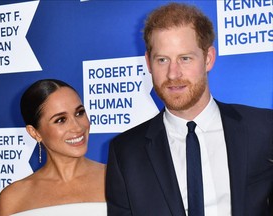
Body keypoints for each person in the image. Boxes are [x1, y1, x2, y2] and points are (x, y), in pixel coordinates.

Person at [106, 2, 273, 216]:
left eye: (185, 58)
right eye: (162, 60)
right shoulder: (125, 152)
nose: (173, 74)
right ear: (148, 63)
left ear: (208, 59)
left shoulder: (263, 128)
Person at [0, 79, 106, 216]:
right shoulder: (13, 197)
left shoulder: (118, 179)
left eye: (79, 113)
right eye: (60, 120)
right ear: (34, 132)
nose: (78, 127)